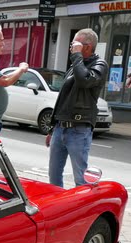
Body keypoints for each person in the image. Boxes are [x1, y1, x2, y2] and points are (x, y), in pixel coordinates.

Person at [46, 28, 108, 188]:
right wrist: (53, 127)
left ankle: (84, 211)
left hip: (79, 129)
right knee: (53, 175)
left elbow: (85, 80)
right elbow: (63, 98)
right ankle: (58, 208)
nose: (71, 47)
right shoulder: (76, 64)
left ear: (87, 46)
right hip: (61, 127)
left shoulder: (99, 65)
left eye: (75, 43)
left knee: (81, 179)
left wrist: (77, 57)